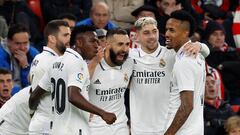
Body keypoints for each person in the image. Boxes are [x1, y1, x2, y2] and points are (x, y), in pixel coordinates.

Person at [29, 25, 117, 135]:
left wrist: (32, 112)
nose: (97, 45)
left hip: (55, 130)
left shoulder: (57, 62)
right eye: (93, 41)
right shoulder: (77, 63)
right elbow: (73, 96)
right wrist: (103, 113)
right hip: (74, 129)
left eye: (98, 42)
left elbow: (34, 95)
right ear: (79, 42)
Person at [129, 17, 209, 135]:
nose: (152, 36)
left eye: (154, 31)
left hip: (167, 126)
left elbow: (204, 53)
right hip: (140, 127)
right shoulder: (129, 57)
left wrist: (200, 46)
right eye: (146, 33)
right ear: (136, 36)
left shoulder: (171, 54)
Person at [164, 10, 206, 135]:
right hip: (195, 129)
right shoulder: (197, 55)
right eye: (166, 29)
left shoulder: (184, 62)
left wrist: (168, 134)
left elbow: (187, 106)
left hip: (183, 131)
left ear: (185, 33)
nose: (166, 34)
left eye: (172, 30)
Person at [28, 20, 71, 134]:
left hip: (43, 121)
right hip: (48, 126)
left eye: (70, 35)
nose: (69, 39)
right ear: (52, 38)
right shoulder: (53, 62)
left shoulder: (39, 57)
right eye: (65, 35)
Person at [88, 28, 133, 135]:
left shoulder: (130, 62)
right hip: (94, 127)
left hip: (120, 126)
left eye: (127, 44)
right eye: (120, 44)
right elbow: (77, 90)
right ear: (107, 44)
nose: (125, 49)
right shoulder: (93, 62)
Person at [0, 24, 39, 91]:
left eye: (25, 43)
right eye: (18, 43)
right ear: (8, 42)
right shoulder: (1, 56)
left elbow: (35, 83)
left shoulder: (34, 54)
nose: (22, 47)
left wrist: (25, 67)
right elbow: (4, 86)